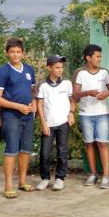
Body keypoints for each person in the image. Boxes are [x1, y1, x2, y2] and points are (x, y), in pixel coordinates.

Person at [0, 37, 36, 199]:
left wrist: (33, 105)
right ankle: (9, 184)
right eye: (12, 52)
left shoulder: (29, 70)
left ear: (23, 53)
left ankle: (22, 181)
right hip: (11, 116)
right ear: (7, 53)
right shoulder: (4, 71)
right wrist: (18, 107)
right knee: (11, 149)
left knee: (25, 150)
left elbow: (32, 92)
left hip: (28, 116)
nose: (15, 55)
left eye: (18, 51)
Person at [74, 44, 109, 188]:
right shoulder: (80, 73)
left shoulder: (104, 72)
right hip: (86, 114)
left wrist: (106, 93)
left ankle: (106, 176)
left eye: (100, 56)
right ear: (88, 58)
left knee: (103, 143)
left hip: (102, 113)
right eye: (97, 56)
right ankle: (93, 174)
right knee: (89, 144)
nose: (99, 59)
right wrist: (87, 93)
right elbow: (75, 94)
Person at [36, 55, 75, 192]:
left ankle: (60, 178)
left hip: (63, 123)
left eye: (61, 67)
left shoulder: (67, 83)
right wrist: (43, 123)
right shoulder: (43, 85)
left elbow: (72, 100)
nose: (60, 70)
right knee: (45, 153)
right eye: (57, 67)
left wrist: (71, 113)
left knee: (62, 152)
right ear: (49, 68)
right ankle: (45, 178)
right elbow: (39, 105)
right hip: (49, 124)